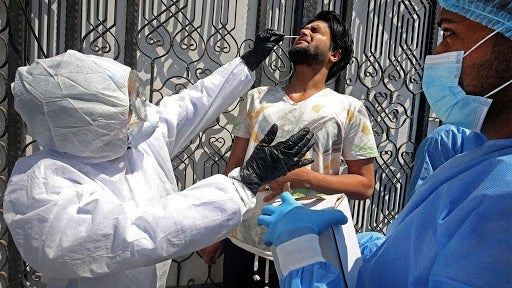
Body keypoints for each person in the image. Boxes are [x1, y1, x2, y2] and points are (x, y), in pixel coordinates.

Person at [2, 28, 318, 288]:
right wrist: (241, 185)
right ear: (83, 127)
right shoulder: (41, 189)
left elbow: (192, 104)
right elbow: (136, 232)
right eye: (128, 111)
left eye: (135, 99)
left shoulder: (133, 137)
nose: (143, 115)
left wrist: (246, 63)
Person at [258, 0, 512, 287]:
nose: (437, 53)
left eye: (449, 33)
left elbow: (365, 184)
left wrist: (298, 249)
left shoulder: (503, 199)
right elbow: (418, 251)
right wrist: (376, 251)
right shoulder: (477, 159)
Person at [200, 10, 378, 287]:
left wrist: (303, 178)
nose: (305, 32)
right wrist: (218, 230)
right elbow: (233, 168)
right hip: (244, 240)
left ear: (335, 54)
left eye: (316, 31)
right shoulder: (257, 99)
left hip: (305, 249)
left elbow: (365, 185)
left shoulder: (349, 109)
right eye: (304, 28)